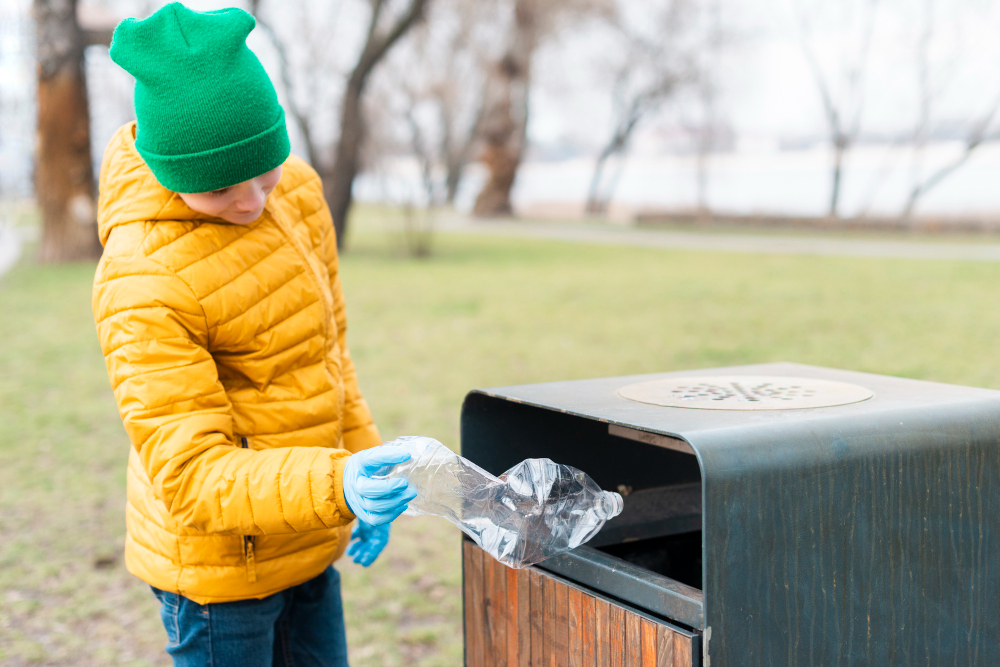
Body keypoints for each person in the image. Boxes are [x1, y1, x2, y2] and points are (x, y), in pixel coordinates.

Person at [92, 4, 415, 665]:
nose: (250, 201)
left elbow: (328, 354)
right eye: (217, 187)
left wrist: (364, 465)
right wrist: (338, 481)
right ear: (166, 168)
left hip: (309, 534)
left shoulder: (296, 193)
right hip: (219, 576)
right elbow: (190, 473)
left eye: (261, 167)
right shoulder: (140, 276)